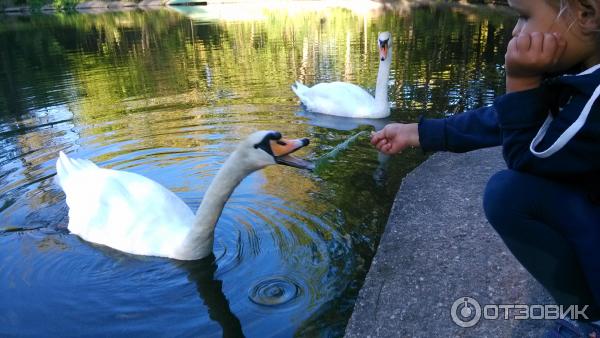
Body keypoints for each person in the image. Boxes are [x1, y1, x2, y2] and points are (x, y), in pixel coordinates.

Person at [371, 0, 600, 336]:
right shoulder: (580, 69)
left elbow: (526, 157)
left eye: (524, 18)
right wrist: (419, 132)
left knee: (508, 195)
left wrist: (521, 79)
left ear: (586, 15)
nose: (515, 32)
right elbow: (513, 118)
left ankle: (590, 318)